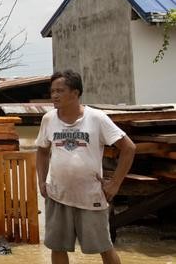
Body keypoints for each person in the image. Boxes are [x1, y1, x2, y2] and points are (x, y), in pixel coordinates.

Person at [36, 70, 136, 264]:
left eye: (60, 90)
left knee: (104, 247)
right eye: (52, 91)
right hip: (57, 194)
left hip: (90, 196)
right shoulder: (48, 119)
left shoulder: (97, 118)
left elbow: (129, 148)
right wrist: (41, 181)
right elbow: (41, 150)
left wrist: (115, 184)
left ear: (75, 93)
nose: (54, 95)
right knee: (57, 247)